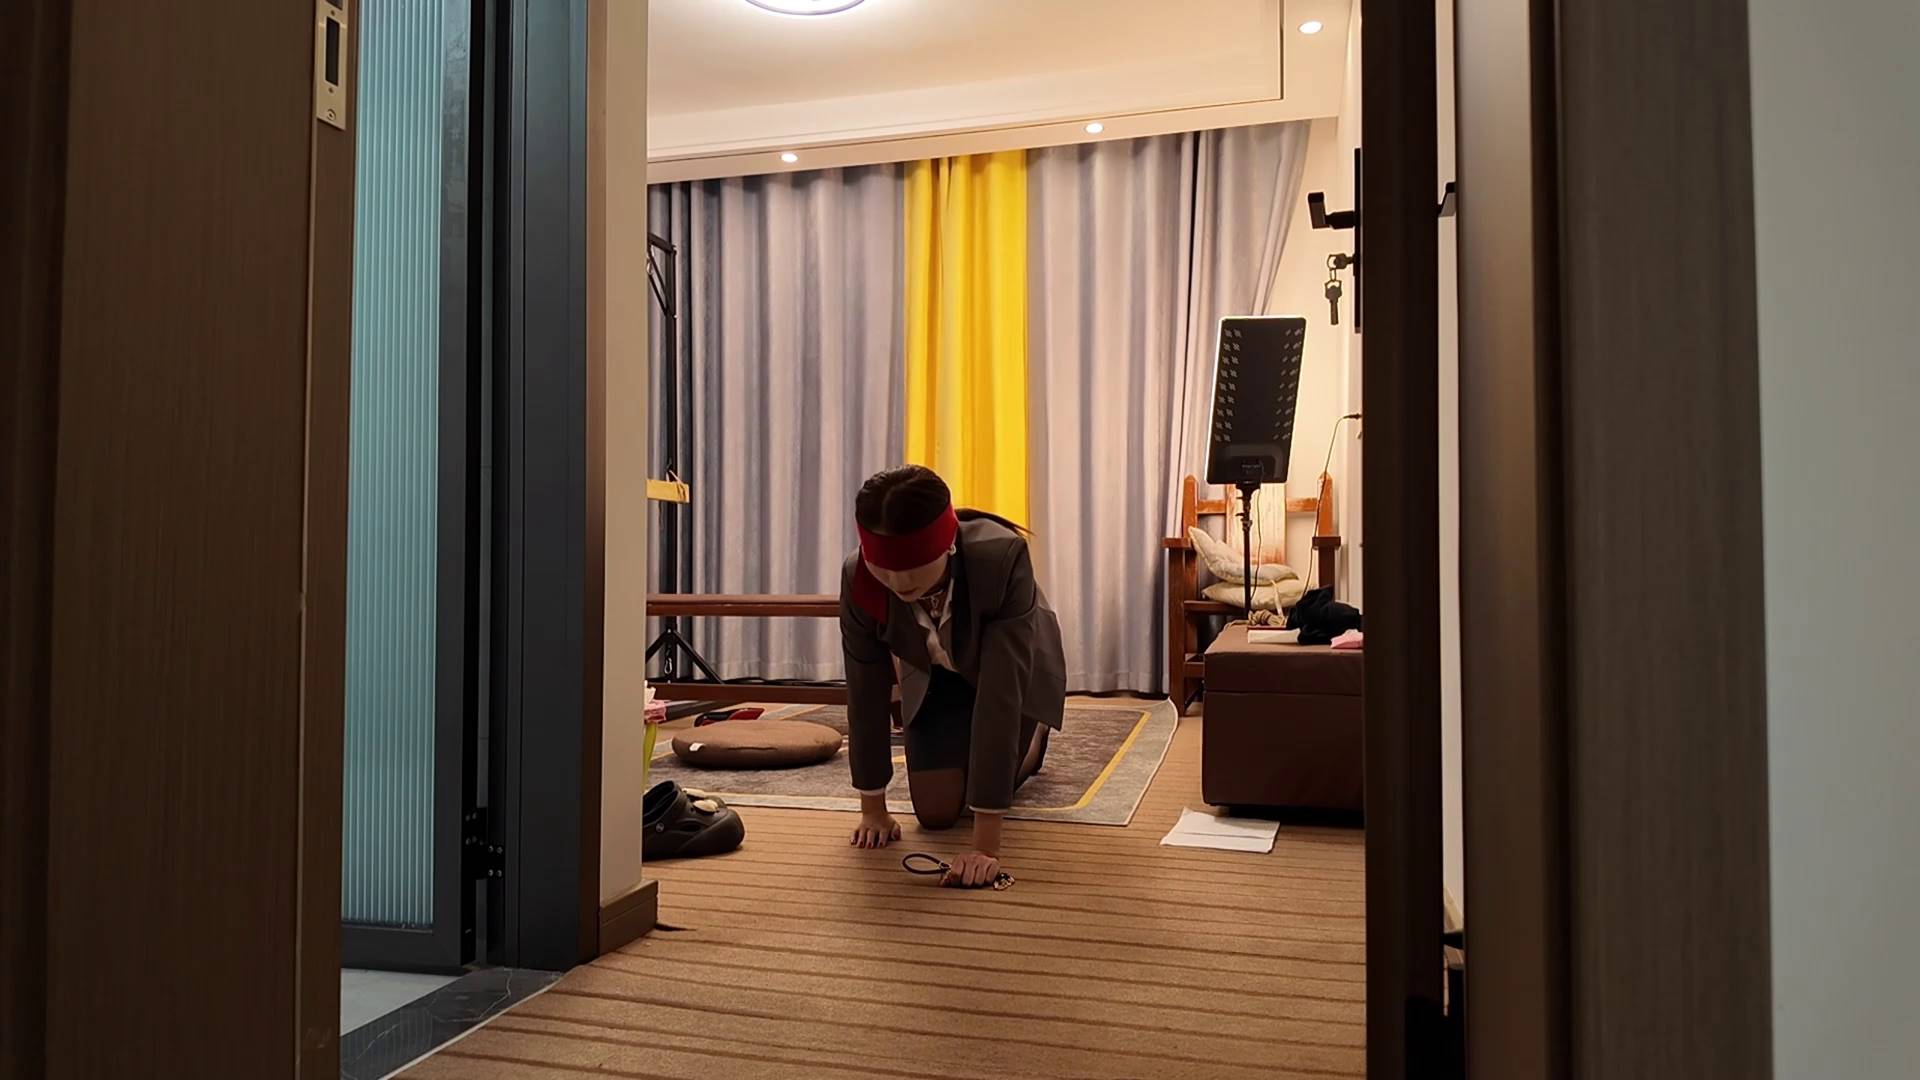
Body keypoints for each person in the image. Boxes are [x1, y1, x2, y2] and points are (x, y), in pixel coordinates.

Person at [839, 465, 1066, 887]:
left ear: (947, 545)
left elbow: (1000, 696)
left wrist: (985, 848)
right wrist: (873, 809)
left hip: (1014, 674)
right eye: (883, 565)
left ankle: (1034, 737)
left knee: (992, 760)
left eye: (913, 564)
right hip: (937, 675)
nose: (898, 580)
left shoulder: (1001, 558)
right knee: (937, 813)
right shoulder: (860, 576)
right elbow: (864, 690)